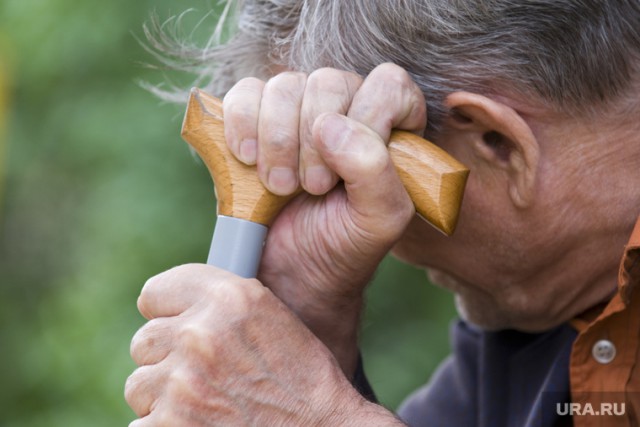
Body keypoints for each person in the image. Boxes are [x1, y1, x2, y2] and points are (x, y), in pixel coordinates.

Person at [125, 1, 640, 425]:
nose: (386, 237)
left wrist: (318, 419)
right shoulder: (539, 307)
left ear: (497, 143)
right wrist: (305, 305)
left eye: (345, 176)